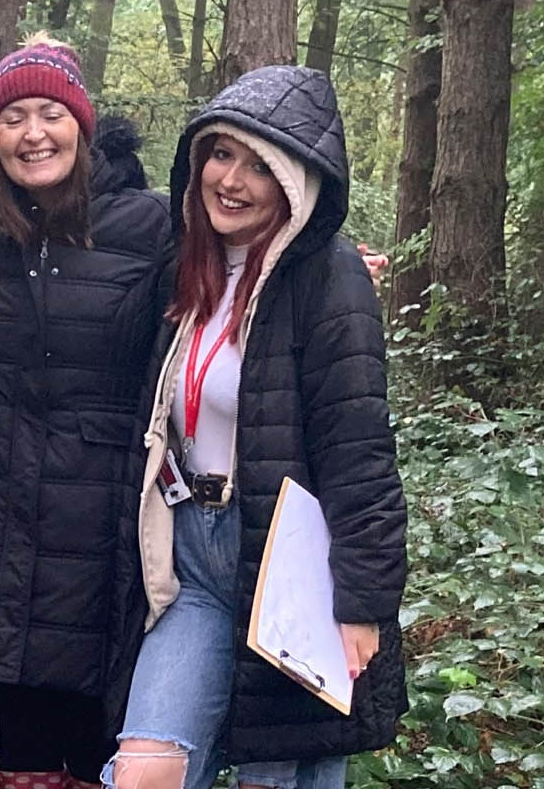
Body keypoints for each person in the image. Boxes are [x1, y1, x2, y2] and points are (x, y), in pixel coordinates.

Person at [106, 65, 409, 789]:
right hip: (193, 561)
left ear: (297, 182)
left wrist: (362, 604)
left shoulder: (329, 279)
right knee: (147, 770)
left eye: (258, 165)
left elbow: (359, 454)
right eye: (219, 155)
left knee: (275, 774)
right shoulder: (185, 269)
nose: (232, 180)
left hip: (292, 565)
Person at [0, 34, 171, 789]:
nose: (33, 133)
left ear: (82, 125)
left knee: (101, 737)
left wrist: (320, 264)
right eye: (13, 118)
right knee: (24, 748)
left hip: (102, 520)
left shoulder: (150, 226)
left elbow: (229, 286)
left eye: (51, 113)